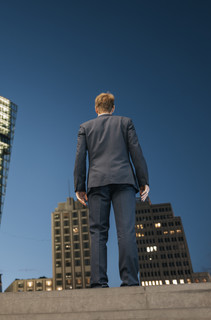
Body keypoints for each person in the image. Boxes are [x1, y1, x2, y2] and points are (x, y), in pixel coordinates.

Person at [74, 92, 149, 288]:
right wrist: (143, 181)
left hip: (97, 183)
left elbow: (80, 158)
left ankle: (98, 282)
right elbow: (136, 152)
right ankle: (130, 281)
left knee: (98, 233)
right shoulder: (126, 123)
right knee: (126, 231)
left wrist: (79, 187)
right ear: (113, 108)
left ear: (96, 109)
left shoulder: (85, 127)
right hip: (124, 181)